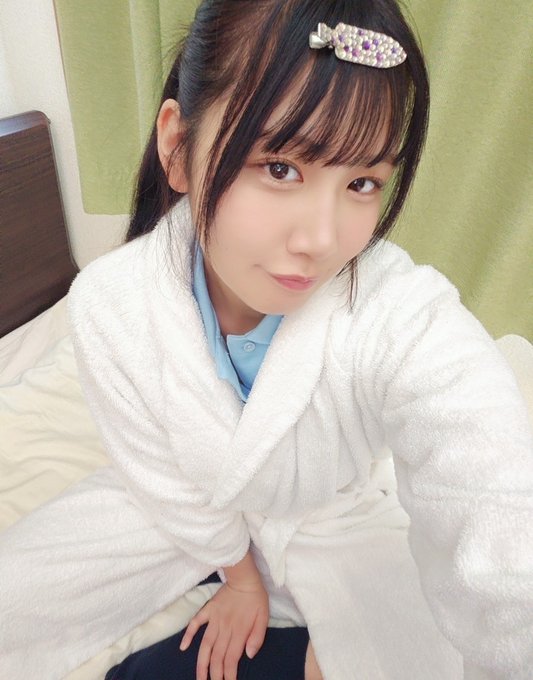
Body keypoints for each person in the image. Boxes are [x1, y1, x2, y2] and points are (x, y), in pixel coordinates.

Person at [1, 1, 532, 679]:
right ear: (178, 148)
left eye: (362, 182)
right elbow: (162, 476)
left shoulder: (397, 312)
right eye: (281, 167)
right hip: (177, 507)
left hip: (326, 518)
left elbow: (494, 495)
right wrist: (240, 577)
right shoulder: (114, 304)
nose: (321, 239)